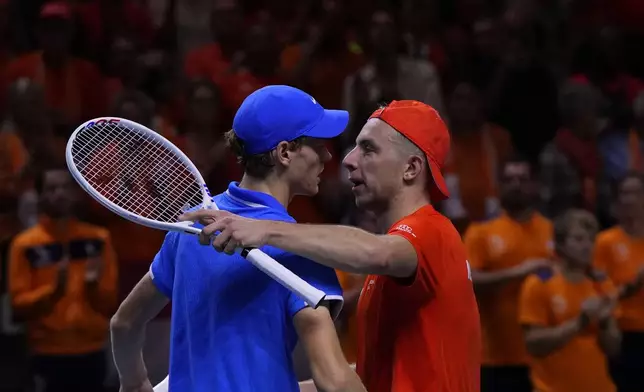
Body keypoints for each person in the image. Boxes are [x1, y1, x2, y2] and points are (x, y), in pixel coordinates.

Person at [182, 100, 481, 391]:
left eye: (368, 149)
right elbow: (364, 379)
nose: (348, 159)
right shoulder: (394, 263)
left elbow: (378, 252)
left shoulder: (431, 230)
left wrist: (263, 229)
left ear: (411, 169)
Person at [109, 85, 365, 392]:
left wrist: (134, 382)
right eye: (318, 144)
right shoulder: (300, 250)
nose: (327, 155)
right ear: (284, 153)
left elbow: (123, 325)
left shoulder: (192, 228)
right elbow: (333, 382)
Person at [8, 167, 118, 392]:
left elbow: (110, 304)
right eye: (51, 189)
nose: (59, 194)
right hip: (47, 353)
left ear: (76, 193)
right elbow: (17, 308)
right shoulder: (25, 244)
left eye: (65, 187)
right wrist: (54, 291)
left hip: (92, 350)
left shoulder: (98, 239)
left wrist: (92, 285)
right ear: (39, 196)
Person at [464, 156, 553, 392]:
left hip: (544, 357)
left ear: (535, 185)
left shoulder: (551, 231)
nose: (516, 184)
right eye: (509, 179)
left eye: (523, 179)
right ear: (500, 186)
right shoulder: (480, 232)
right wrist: (518, 272)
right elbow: (467, 281)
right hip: (493, 357)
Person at [520, 209, 621, 392]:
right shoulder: (539, 282)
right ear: (560, 244)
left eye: (591, 240)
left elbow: (613, 348)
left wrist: (605, 323)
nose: (587, 246)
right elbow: (533, 344)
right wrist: (580, 322)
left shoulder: (601, 284)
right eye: (579, 239)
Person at [593, 172, 644, 392]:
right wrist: (633, 285)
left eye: (636, 193)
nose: (630, 199)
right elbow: (599, 294)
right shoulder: (605, 242)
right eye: (624, 193)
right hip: (625, 335)